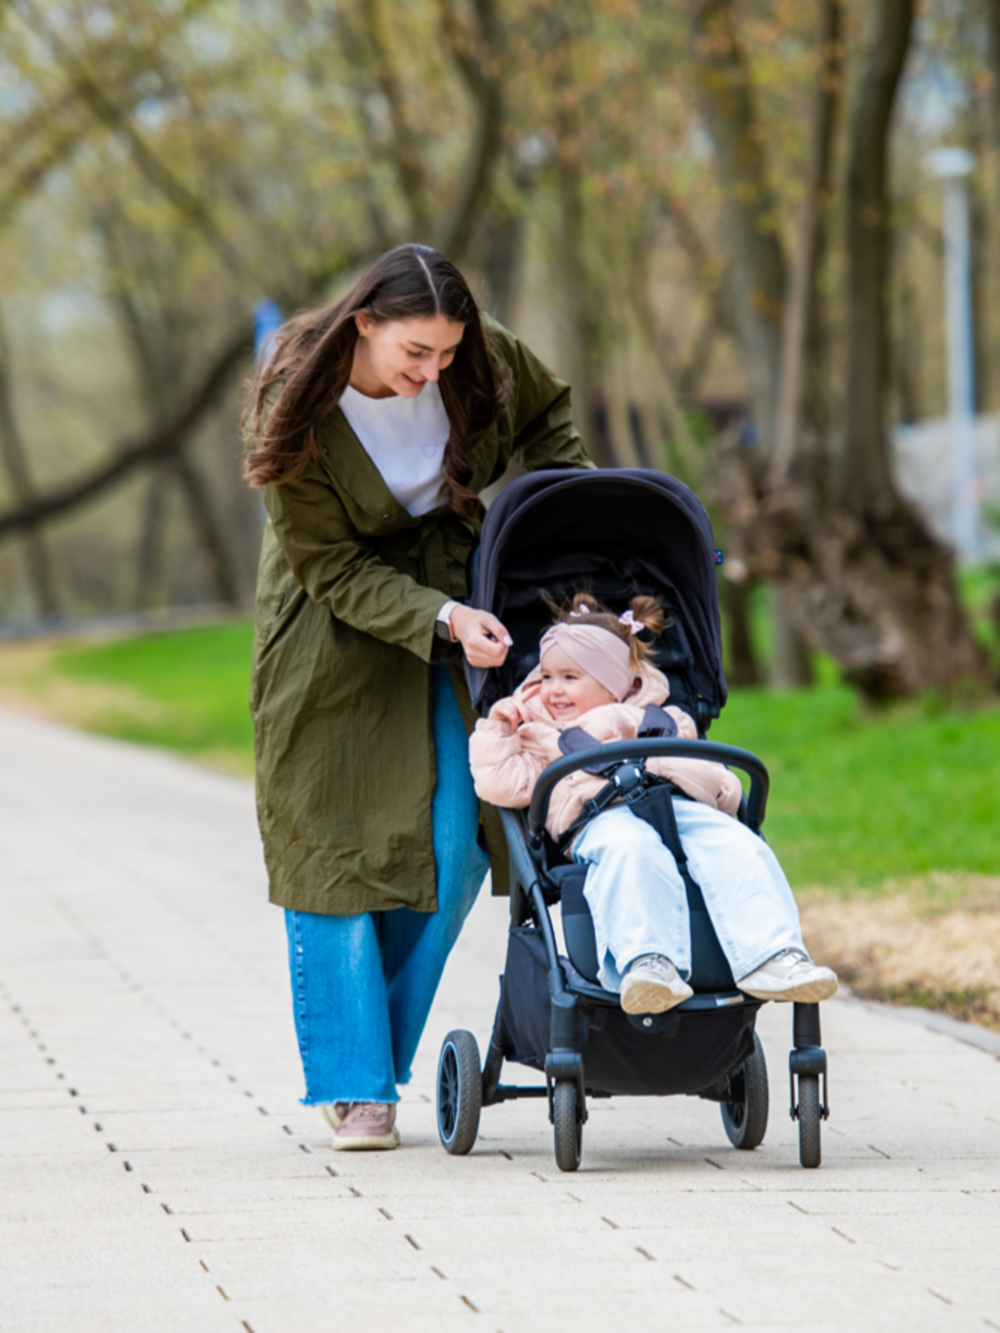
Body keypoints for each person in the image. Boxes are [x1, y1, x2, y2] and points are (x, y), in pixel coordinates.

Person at [243, 243, 591, 1151]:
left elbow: (548, 412)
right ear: (365, 322)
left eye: (445, 353)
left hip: (461, 605)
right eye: (414, 355)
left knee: (464, 834)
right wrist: (435, 616)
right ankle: (357, 1085)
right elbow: (332, 564)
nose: (431, 372)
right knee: (333, 843)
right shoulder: (296, 403)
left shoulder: (476, 357)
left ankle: (375, 1047)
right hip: (330, 626)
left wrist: (560, 517)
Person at [468, 592, 838, 1015]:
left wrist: (723, 791)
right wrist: (498, 729)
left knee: (739, 844)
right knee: (632, 850)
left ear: (615, 683)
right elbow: (499, 783)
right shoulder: (537, 734)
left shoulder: (663, 719)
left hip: (679, 807)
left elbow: (709, 773)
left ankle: (774, 955)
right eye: (547, 676)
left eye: (571, 678)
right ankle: (647, 962)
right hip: (599, 819)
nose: (553, 690)